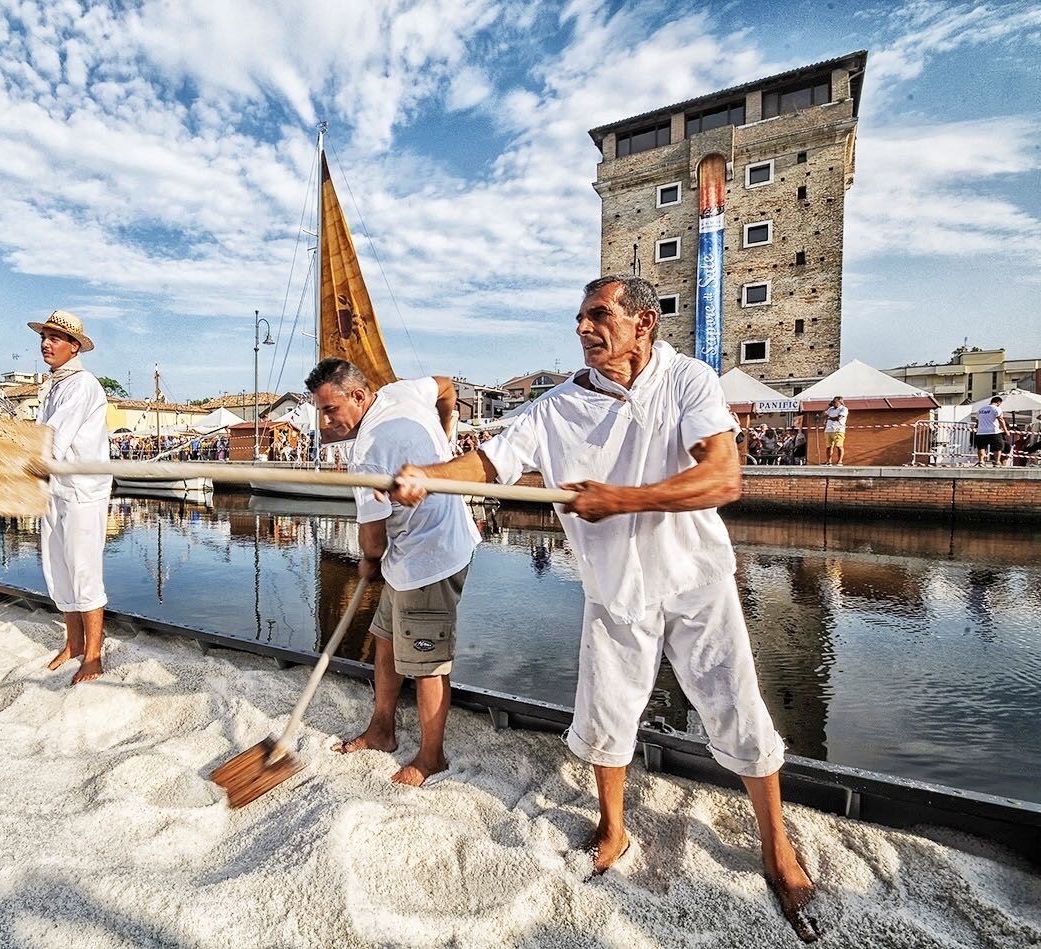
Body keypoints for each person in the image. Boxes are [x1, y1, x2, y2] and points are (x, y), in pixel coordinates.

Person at [388, 275, 817, 940]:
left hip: (696, 582)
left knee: (737, 707)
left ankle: (778, 851)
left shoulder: (688, 380)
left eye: (598, 316)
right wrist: (430, 477)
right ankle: (613, 831)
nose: (585, 329)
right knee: (605, 715)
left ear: (643, 322)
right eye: (580, 319)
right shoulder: (556, 406)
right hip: (615, 588)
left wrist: (620, 498)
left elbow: (723, 476)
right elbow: (492, 462)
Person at [308, 357, 480, 787]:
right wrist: (445, 431)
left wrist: (367, 560)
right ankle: (382, 730)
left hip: (431, 557)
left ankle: (431, 757)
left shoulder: (366, 452)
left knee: (427, 663)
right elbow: (446, 384)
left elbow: (372, 542)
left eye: (331, 409)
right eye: (321, 410)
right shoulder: (401, 391)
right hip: (409, 557)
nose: (325, 420)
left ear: (359, 396)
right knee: (383, 639)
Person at [31, 309, 112, 685]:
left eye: (55, 338)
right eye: (44, 337)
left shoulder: (82, 385)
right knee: (57, 566)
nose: (47, 343)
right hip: (56, 487)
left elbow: (53, 439)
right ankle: (74, 642)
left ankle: (94, 654)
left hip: (82, 488)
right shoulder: (53, 385)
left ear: (74, 346)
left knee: (83, 567)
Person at [974, 396, 1009, 467]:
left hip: (981, 432)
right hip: (994, 431)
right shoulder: (996, 409)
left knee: (981, 447)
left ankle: (981, 461)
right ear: (999, 402)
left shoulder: (981, 409)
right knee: (998, 447)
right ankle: (997, 462)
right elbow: (1001, 420)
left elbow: (978, 420)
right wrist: (1006, 430)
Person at [823, 396, 847, 466]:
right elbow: (823, 414)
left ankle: (839, 461)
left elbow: (839, 418)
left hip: (838, 429)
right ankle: (829, 461)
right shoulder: (830, 409)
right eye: (833, 401)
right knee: (829, 447)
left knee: (839, 446)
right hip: (829, 429)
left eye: (835, 402)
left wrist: (829, 418)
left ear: (840, 402)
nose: (833, 403)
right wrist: (828, 406)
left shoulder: (843, 409)